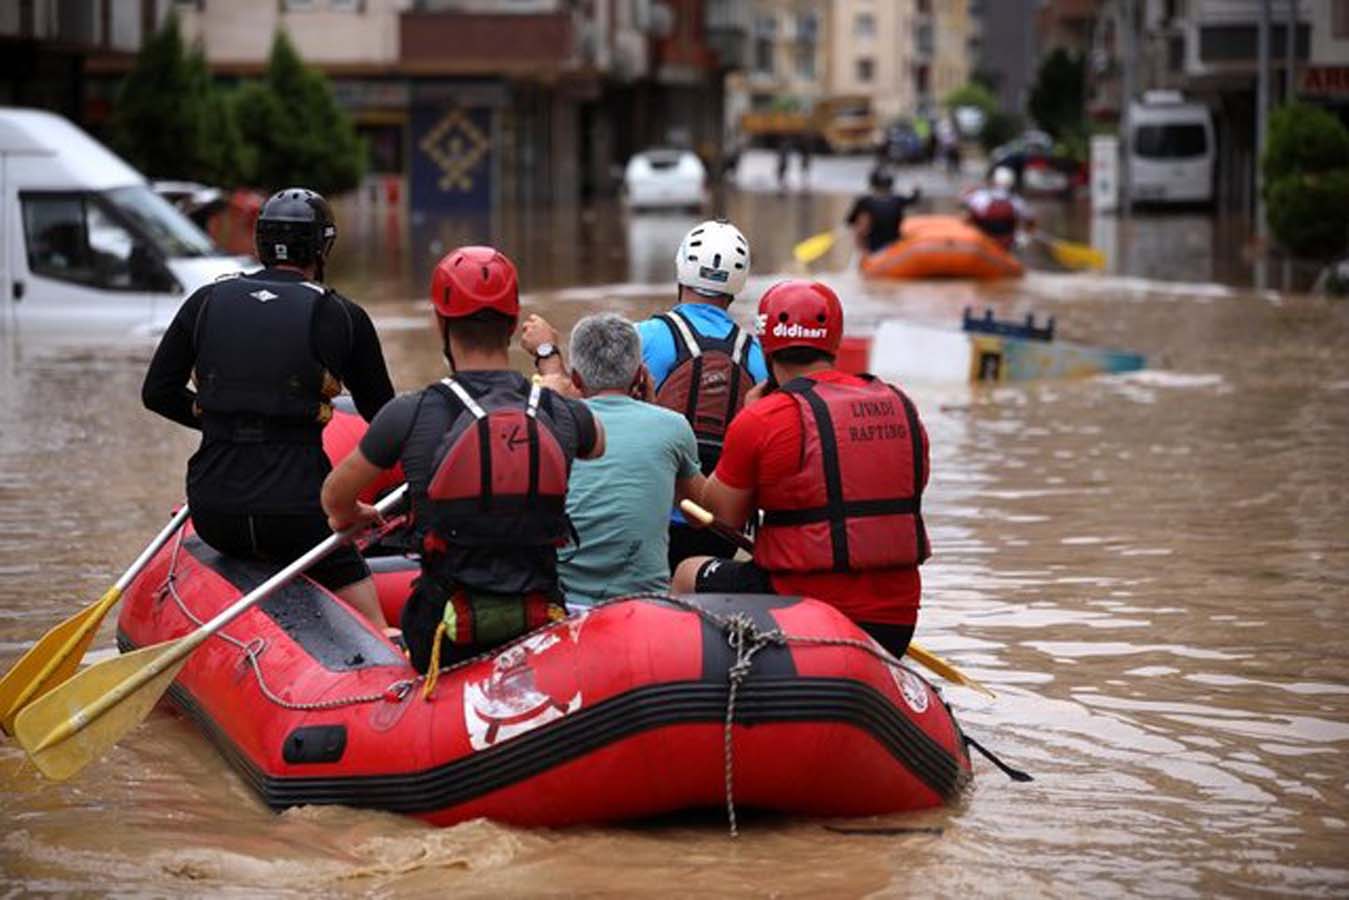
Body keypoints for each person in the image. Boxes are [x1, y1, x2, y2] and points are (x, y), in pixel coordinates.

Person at [320, 247, 605, 674]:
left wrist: (351, 515)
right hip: (540, 623)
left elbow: (333, 496)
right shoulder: (558, 411)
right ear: (513, 324)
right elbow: (597, 443)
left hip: (444, 635)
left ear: (440, 323)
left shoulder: (409, 413)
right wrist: (553, 378)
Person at [142, 187, 395, 628]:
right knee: (372, 619)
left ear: (260, 243)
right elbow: (386, 421)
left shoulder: (206, 301)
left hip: (214, 513)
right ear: (322, 247)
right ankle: (381, 639)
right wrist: (352, 506)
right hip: (299, 517)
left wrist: (218, 420)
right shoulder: (341, 314)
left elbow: (158, 392)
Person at [672, 279, 931, 661]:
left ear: (765, 347)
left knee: (686, 572)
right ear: (835, 343)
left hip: (799, 611)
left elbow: (718, 515)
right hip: (896, 622)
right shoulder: (901, 405)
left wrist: (737, 424)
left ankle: (698, 678)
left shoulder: (762, 417)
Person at [525, 313, 705, 607]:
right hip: (647, 607)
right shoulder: (673, 427)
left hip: (563, 608)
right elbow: (700, 515)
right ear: (640, 376)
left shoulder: (545, 426)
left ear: (577, 380)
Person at [846, 167, 921, 254]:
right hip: (895, 244)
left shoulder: (865, 201)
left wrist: (859, 229)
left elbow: (850, 221)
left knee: (861, 234)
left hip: (875, 246)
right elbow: (914, 199)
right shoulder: (898, 199)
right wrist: (916, 185)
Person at [963, 166, 1035, 250]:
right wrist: (1024, 239)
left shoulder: (979, 196)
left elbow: (964, 205)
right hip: (1005, 243)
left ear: (993, 181)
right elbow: (1030, 221)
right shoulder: (1017, 201)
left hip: (982, 242)